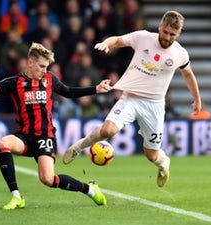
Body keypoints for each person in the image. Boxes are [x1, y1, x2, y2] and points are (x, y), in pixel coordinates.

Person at [0, 42, 111, 209]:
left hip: (45, 136)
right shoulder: (14, 83)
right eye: (41, 66)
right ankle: (17, 196)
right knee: (2, 144)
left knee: (48, 179)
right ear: (30, 62)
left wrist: (96, 89)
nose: (44, 71)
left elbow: (68, 92)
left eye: (46, 67)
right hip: (24, 137)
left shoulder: (49, 79)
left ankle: (89, 189)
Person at [63, 11, 202, 188]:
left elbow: (188, 75)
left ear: (179, 33)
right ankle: (77, 147)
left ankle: (164, 163)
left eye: (172, 34)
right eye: (165, 31)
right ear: (160, 26)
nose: (167, 37)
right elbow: (118, 40)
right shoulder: (143, 37)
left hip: (154, 105)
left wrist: (197, 99)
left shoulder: (180, 53)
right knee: (107, 131)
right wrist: (107, 43)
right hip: (130, 98)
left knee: (151, 154)